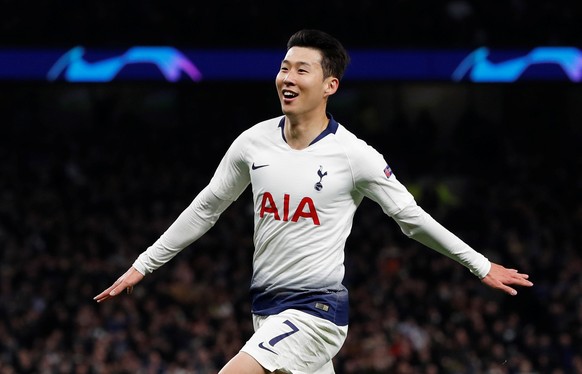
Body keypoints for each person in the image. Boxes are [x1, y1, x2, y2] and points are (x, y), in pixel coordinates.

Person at [94, 29, 533, 373]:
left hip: (317, 311)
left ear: (330, 85)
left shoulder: (355, 155)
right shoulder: (253, 143)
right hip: (265, 310)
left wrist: (480, 264)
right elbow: (207, 208)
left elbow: (410, 218)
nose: (287, 78)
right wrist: (143, 265)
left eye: (302, 70)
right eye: (285, 67)